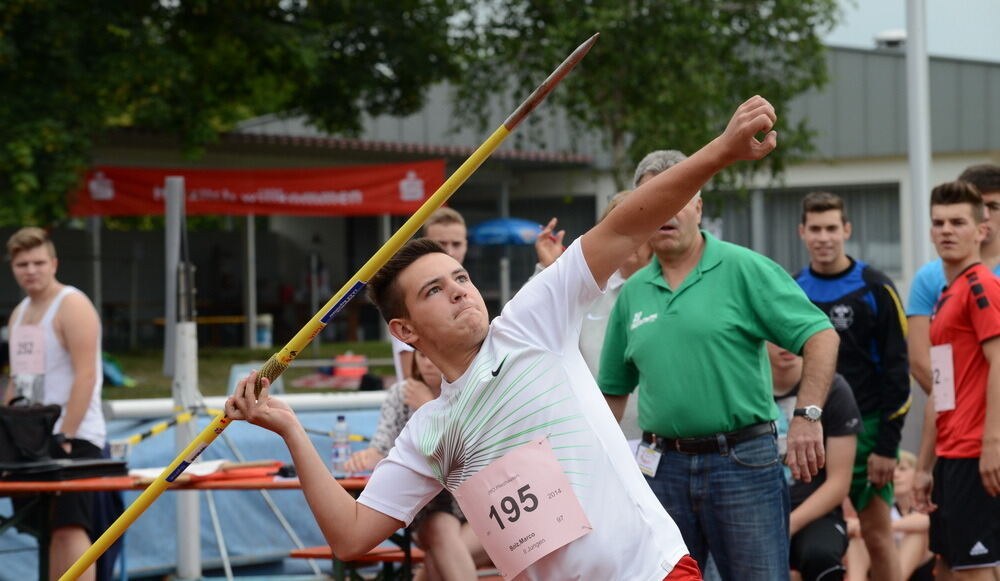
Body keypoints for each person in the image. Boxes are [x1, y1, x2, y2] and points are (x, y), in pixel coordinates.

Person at [226, 95, 785, 580]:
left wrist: (721, 152)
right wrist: (291, 430)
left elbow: (624, 225)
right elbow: (351, 536)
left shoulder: (530, 322)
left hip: (652, 572)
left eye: (461, 278)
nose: (460, 292)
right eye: (434, 291)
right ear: (404, 330)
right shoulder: (430, 431)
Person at [597, 147, 839, 579]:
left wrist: (807, 416)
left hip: (742, 463)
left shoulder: (743, 268)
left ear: (699, 206)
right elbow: (612, 393)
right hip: (662, 468)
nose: (665, 210)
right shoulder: (632, 293)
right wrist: (588, 465)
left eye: (678, 197)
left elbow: (820, 334)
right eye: (652, 200)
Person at [794, 191, 910, 581]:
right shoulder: (791, 289)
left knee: (877, 536)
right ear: (802, 232)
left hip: (867, 431)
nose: (823, 238)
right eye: (815, 229)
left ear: (847, 229)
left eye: (831, 228)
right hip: (806, 428)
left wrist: (887, 447)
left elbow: (898, 370)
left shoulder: (875, 287)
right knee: (802, 538)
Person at [5, 227, 107, 581]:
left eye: (38, 262)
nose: (30, 271)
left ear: (54, 263)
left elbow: (86, 376)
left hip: (74, 435)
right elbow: (18, 380)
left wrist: (65, 435)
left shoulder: (72, 304)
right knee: (48, 531)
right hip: (31, 442)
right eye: (22, 264)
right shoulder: (19, 313)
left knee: (70, 527)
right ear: (12, 268)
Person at [912, 180, 1000, 580]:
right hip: (950, 457)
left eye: (958, 222)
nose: (946, 230)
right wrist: (924, 466)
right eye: (939, 222)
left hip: (976, 454)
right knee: (946, 569)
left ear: (981, 230)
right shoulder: (947, 296)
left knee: (976, 572)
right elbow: (941, 388)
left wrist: (992, 444)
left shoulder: (982, 286)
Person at [344, 350, 490, 580]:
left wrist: (429, 406)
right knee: (440, 530)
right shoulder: (401, 394)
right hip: (427, 510)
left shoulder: (470, 390)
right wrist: (367, 457)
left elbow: (474, 455)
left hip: (479, 505)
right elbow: (381, 445)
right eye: (421, 355)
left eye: (433, 354)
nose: (428, 363)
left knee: (438, 557)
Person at [533, 188, 655, 439]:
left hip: (663, 443)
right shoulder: (588, 288)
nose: (631, 235)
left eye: (639, 224)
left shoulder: (672, 289)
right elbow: (535, 325)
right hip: (595, 439)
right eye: (621, 227)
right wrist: (548, 269)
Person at [769, 342, 860, 581]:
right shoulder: (744, 388)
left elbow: (839, 484)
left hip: (815, 514)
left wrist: (787, 525)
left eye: (791, 332)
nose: (784, 342)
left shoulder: (835, 389)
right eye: (774, 335)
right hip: (755, 509)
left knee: (820, 556)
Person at [907, 164, 1000, 397]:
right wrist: (951, 404)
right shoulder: (929, 277)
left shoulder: (983, 283)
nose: (985, 214)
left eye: (993, 206)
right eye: (979, 205)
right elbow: (921, 360)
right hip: (954, 409)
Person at [391, 207, 469, 382]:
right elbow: (412, 382)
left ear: (466, 245)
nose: (450, 252)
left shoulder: (468, 289)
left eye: (456, 244)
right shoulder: (410, 294)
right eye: (441, 244)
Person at [844, 450, 934, 581]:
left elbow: (928, 520)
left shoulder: (927, 506)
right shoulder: (883, 507)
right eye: (893, 470)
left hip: (918, 569)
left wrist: (881, 527)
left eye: (902, 469)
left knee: (916, 534)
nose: (895, 474)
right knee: (858, 539)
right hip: (880, 567)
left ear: (918, 475)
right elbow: (851, 525)